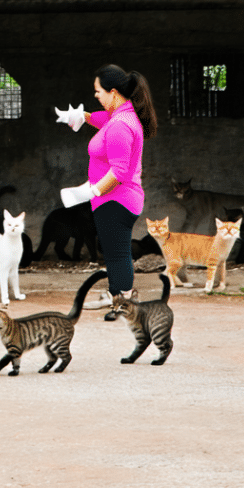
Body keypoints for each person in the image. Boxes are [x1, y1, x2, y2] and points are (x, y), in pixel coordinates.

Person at [65, 64, 158, 314]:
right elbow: (99, 118)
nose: (95, 95)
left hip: (116, 199)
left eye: (98, 91)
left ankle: (125, 300)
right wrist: (79, 116)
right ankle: (116, 295)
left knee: (117, 254)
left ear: (113, 92)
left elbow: (119, 172)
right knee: (115, 252)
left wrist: (92, 192)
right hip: (116, 199)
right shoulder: (119, 116)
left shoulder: (120, 125)